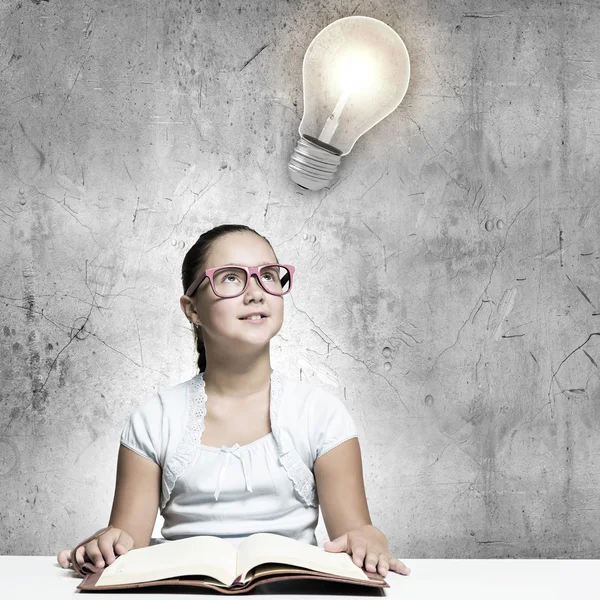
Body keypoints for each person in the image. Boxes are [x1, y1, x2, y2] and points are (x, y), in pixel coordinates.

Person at [57, 224, 411, 578]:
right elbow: (126, 545)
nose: (256, 293)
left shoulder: (322, 415)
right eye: (230, 278)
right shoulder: (154, 419)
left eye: (269, 276)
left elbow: (354, 534)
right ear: (192, 309)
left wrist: (368, 538)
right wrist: (104, 545)